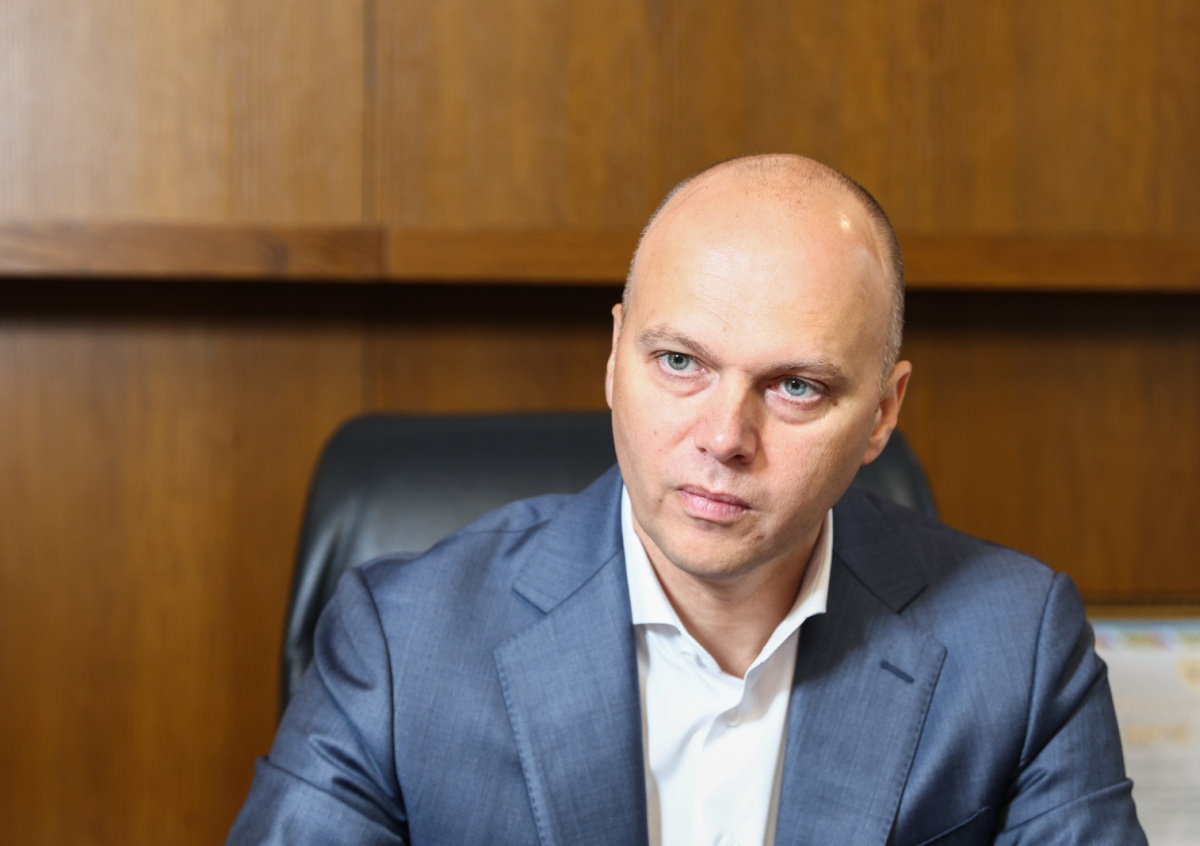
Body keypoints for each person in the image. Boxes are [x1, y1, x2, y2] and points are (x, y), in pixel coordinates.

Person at [228, 154, 1146, 845]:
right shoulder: (404, 643)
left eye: (796, 387)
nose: (723, 437)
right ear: (614, 357)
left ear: (882, 414)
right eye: (679, 362)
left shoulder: (1019, 648)